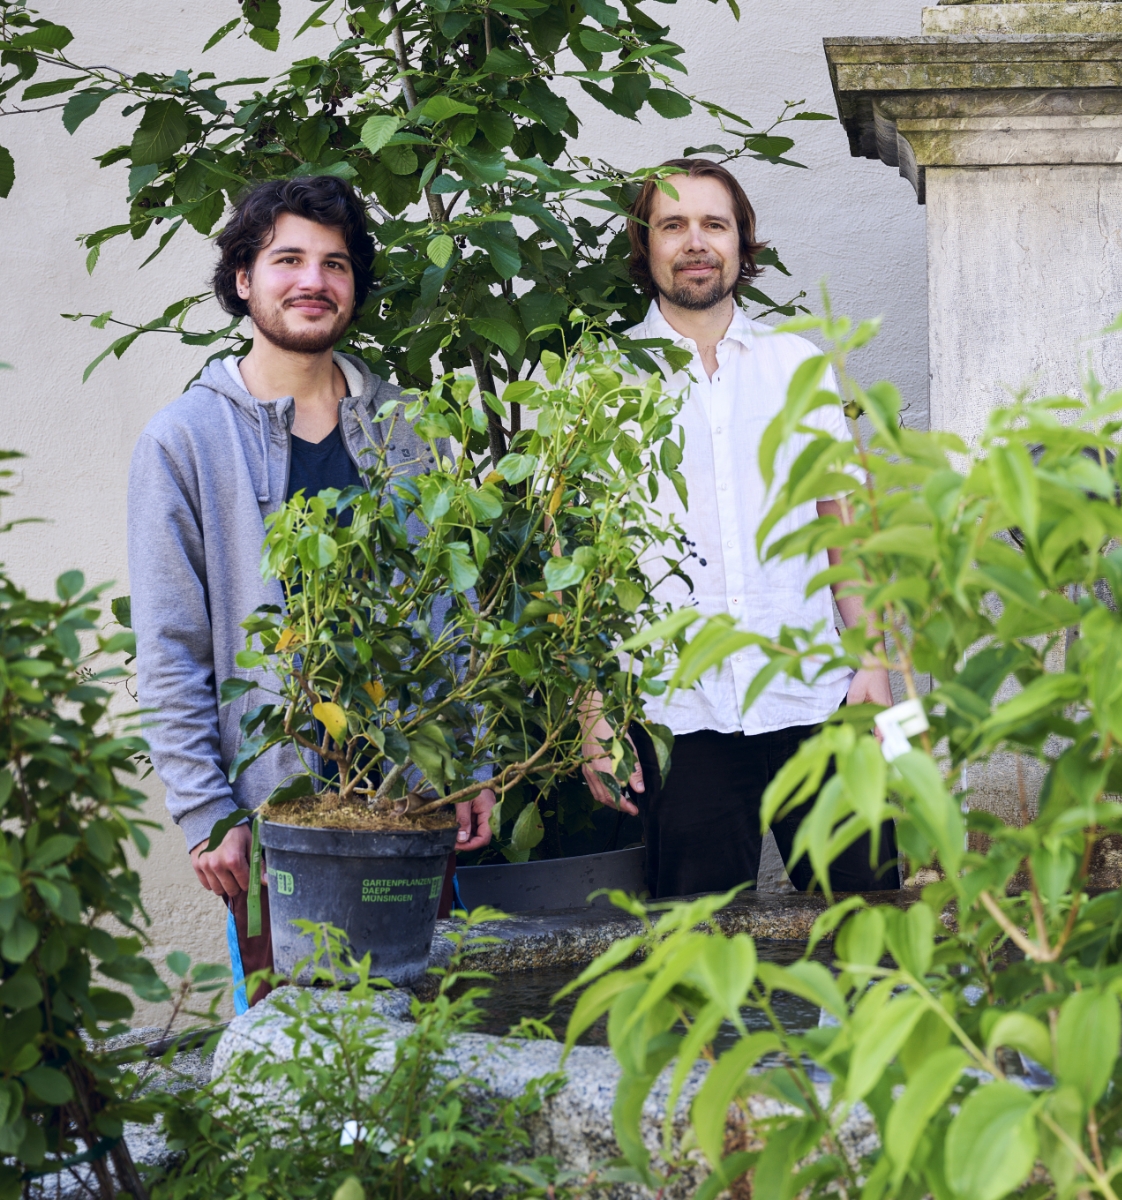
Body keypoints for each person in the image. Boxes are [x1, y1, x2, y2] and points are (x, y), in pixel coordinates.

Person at [127, 177, 495, 1011]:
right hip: (273, 818)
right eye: (287, 258)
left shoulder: (408, 429)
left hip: (407, 801)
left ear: (355, 286)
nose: (313, 281)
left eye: (335, 263)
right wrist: (205, 811)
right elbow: (172, 644)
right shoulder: (184, 440)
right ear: (243, 279)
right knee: (295, 1053)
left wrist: (469, 765)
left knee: (428, 1033)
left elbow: (452, 613)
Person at [581, 158, 899, 898]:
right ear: (645, 245)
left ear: (741, 243)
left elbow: (841, 529)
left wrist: (877, 666)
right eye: (673, 225)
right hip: (675, 713)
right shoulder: (603, 377)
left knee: (874, 926)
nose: (695, 242)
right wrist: (592, 715)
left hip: (817, 693)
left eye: (713, 224)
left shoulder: (799, 368)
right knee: (694, 960)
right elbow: (579, 561)